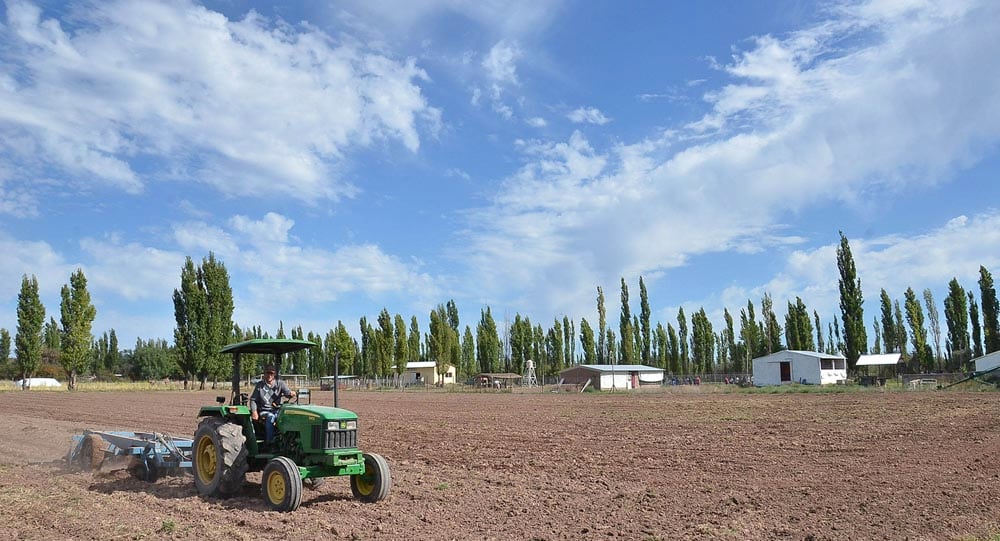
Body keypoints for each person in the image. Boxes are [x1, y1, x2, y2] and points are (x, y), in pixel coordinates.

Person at [249, 365, 296, 442]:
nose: (269, 375)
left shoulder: (280, 384)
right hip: (264, 410)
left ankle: (287, 441)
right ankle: (270, 442)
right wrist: (254, 412)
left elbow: (287, 393)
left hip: (278, 410)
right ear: (264, 374)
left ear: (274, 374)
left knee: (289, 416)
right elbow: (253, 399)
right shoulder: (260, 385)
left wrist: (291, 393)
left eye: (271, 373)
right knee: (271, 417)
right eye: (267, 373)